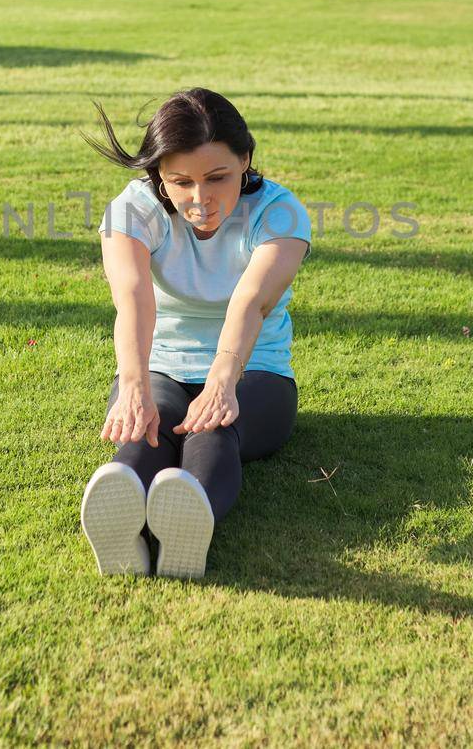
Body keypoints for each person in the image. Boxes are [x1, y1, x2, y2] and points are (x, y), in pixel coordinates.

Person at [79, 88, 312, 579]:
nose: (199, 200)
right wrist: (135, 386)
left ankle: (188, 514)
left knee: (213, 427)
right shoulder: (133, 210)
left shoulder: (281, 213)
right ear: (158, 175)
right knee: (153, 421)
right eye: (180, 182)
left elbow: (252, 300)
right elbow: (134, 298)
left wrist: (222, 382)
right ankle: (121, 509)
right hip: (160, 365)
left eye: (217, 178)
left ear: (245, 160)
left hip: (255, 373)